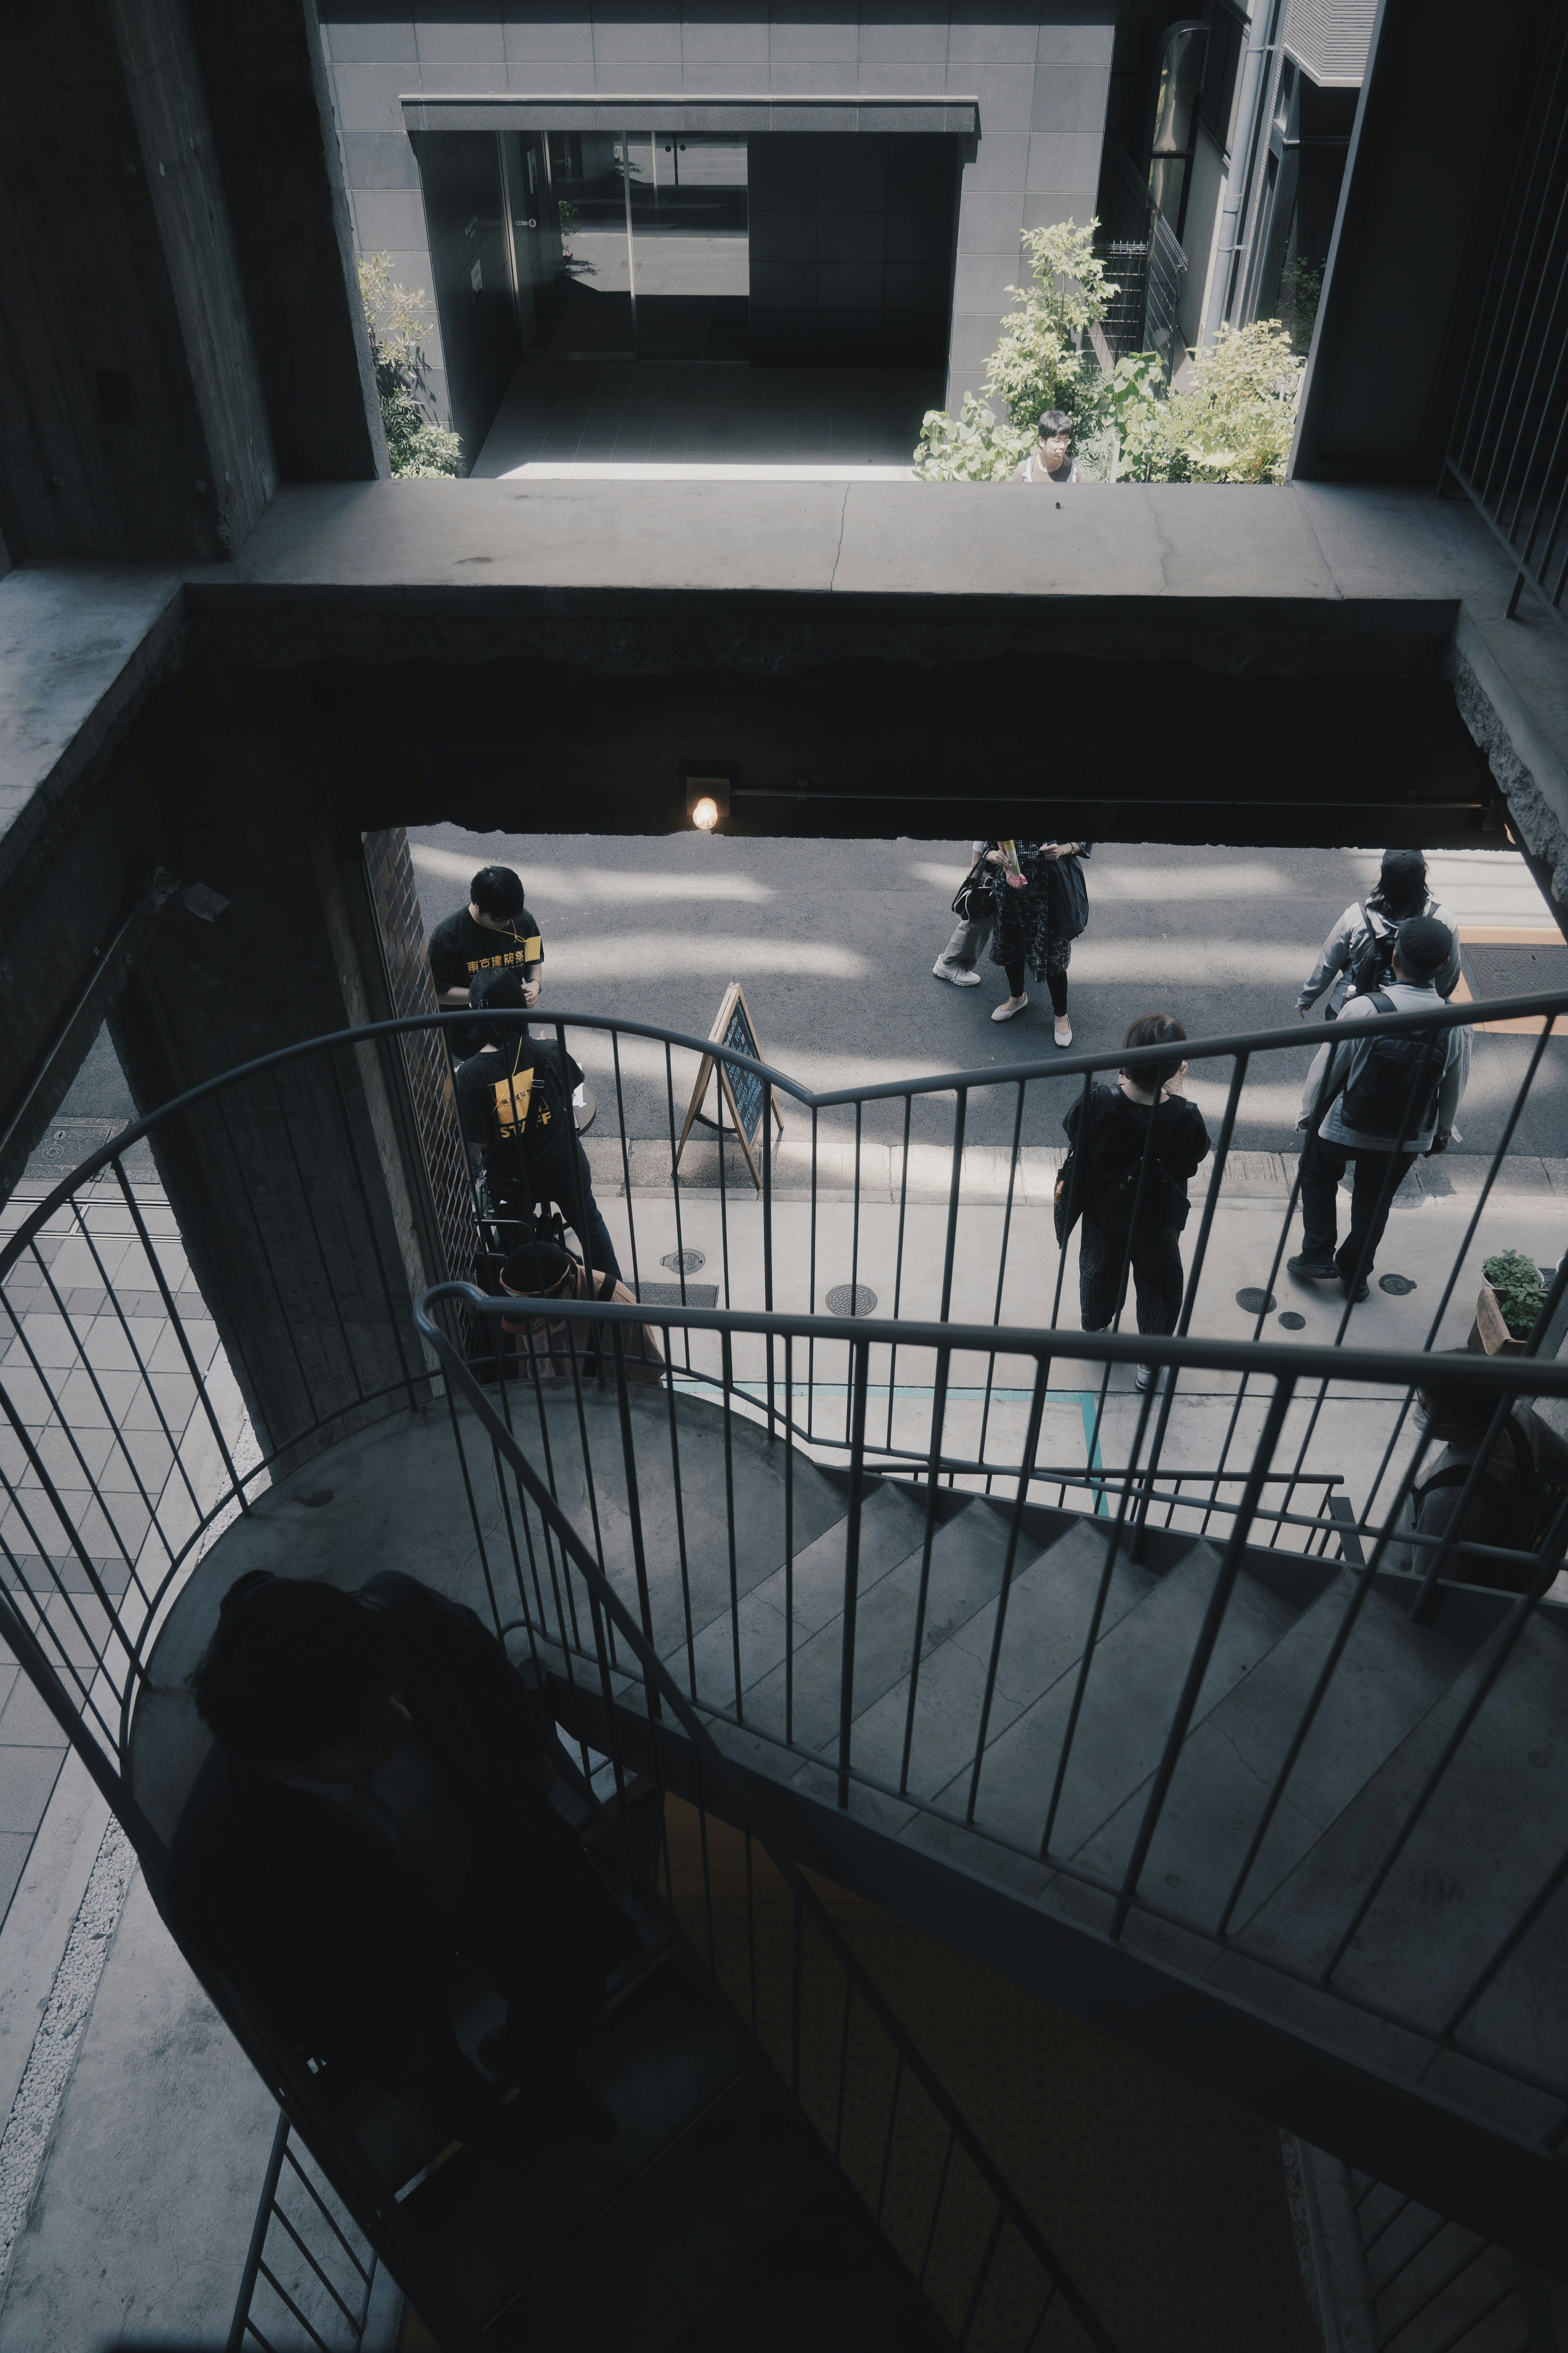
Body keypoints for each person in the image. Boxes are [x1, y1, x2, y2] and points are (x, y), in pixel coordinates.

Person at [169, 1570, 639, 2164]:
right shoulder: (215, 1867)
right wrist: (394, 2051)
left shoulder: (390, 1615)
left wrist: (526, 1748)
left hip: (476, 1860)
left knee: (570, 1983)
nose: (404, 1719)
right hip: (379, 1970)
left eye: (393, 1690)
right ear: (293, 1762)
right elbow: (288, 1989)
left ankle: (535, 2063)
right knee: (447, 2089)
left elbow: (472, 1654)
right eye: (371, 1726)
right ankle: (498, 2149)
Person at [1290, 916, 1471, 1302]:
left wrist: (1308, 1112)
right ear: (1444, 967)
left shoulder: (1365, 1009)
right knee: (1375, 1201)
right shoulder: (1455, 1024)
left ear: (1394, 958)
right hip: (1407, 1134)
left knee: (1318, 1171)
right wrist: (1441, 1132)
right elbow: (1454, 1084)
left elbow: (1327, 1067)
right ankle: (1354, 1275)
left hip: (1347, 1125)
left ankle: (1317, 1253)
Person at [1066, 1013, 1211, 1393]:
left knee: (1099, 1267)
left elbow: (1073, 1128)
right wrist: (1176, 1093)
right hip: (1157, 1217)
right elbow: (1191, 1161)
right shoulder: (1184, 1114)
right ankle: (1149, 1361)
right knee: (1159, 1285)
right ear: (1175, 1068)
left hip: (1104, 1210)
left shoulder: (1098, 1099)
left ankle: (1096, 1324)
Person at [454, 969, 621, 1284]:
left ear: (476, 1011)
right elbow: (571, 1092)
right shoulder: (548, 1053)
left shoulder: (470, 1076)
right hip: (563, 1163)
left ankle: (536, 1297)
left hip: (512, 1178)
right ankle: (615, 1295)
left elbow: (481, 1143)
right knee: (589, 1222)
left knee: (518, 1241)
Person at [1388, 1361, 1568, 1590]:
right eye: (1421, 1397)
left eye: (1429, 1409)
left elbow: (1427, 1588)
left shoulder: (1444, 1501)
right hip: (1514, 1564)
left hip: (1406, 1573)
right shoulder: (1519, 1418)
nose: (1420, 1406)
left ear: (1470, 1426)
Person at [1298, 849, 1461, 1020]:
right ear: (1424, 875)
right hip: (1411, 1014)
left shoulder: (1357, 916)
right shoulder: (1441, 920)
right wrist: (1440, 1001)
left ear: (1383, 873)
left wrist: (1307, 998)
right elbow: (1451, 972)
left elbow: (1329, 961)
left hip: (1349, 1009)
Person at [499, 1237, 667, 1385]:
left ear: (571, 1284)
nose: (541, 1321)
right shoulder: (525, 1298)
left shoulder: (619, 1309)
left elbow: (649, 1380)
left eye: (544, 1313)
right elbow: (523, 1354)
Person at [428, 864, 546, 1060]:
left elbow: (533, 959)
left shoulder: (524, 920)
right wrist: (482, 997)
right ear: (477, 904)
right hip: (468, 1042)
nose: (508, 924)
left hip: (515, 1033)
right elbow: (438, 992)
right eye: (499, 920)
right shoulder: (447, 937)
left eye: (512, 917)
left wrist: (535, 984)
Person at [984, 837, 1091, 1046]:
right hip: (1010, 891)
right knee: (1011, 947)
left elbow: (1085, 840)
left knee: (1054, 956)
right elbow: (987, 846)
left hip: (1050, 891)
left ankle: (1061, 1015)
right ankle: (1017, 998)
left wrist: (1063, 849)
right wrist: (995, 856)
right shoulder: (1003, 806)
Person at [933, 840, 993, 986]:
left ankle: (951, 962)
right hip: (995, 861)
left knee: (983, 913)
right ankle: (950, 963)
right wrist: (976, 865)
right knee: (981, 915)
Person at [1018, 410, 1078, 485]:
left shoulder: (1074, 472)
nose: (1063, 446)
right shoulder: (1024, 472)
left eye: (1066, 441)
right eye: (1057, 442)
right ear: (1042, 441)